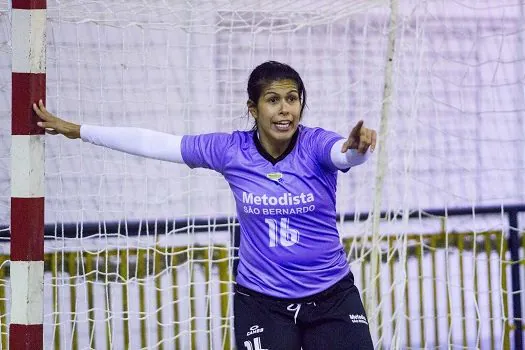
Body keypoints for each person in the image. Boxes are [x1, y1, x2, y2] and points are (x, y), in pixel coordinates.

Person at [34, 60, 376, 349]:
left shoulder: (315, 144)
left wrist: (357, 149)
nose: (285, 109)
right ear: (253, 110)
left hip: (332, 295)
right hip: (262, 302)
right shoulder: (231, 151)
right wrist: (80, 130)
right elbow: (155, 143)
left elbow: (342, 153)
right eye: (273, 100)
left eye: (292, 98)